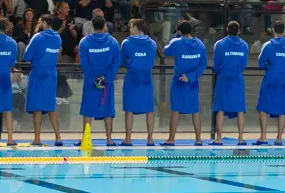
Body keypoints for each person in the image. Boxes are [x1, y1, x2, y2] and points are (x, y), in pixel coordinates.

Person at [78, 15, 121, 145]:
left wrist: (93, 79)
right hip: (106, 82)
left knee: (88, 110)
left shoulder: (84, 42)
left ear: (92, 26)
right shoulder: (113, 42)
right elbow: (116, 62)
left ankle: (86, 138)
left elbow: (84, 63)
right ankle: (109, 139)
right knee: (108, 109)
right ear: (104, 27)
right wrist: (106, 78)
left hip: (91, 82)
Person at [163, 21, 207, 145]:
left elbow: (165, 50)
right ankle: (198, 139)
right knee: (195, 110)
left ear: (179, 31)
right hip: (192, 83)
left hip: (178, 82)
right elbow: (203, 65)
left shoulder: (176, 42)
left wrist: (175, 36)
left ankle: (171, 139)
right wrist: (191, 76)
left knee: (175, 109)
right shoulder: (201, 45)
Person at [23, 14, 63, 146]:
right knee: (51, 105)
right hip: (52, 73)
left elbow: (26, 56)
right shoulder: (58, 38)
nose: (38, 24)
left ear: (45, 23)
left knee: (37, 107)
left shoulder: (38, 37)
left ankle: (37, 138)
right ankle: (58, 137)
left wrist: (34, 33)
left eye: (40, 22)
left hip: (39, 73)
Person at [120, 18, 157, 146]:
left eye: (131, 28)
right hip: (146, 79)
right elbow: (151, 61)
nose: (130, 30)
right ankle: (150, 138)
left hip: (132, 78)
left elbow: (122, 60)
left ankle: (128, 138)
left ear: (136, 29)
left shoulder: (126, 43)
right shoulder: (152, 43)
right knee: (149, 109)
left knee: (129, 109)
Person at [256, 20, 285, 144]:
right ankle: (279, 138)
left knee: (264, 107)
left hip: (270, 78)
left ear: (273, 29)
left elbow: (261, 63)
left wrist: (270, 67)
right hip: (284, 79)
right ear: (284, 30)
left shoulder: (268, 45)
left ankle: (263, 136)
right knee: (282, 109)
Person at [213, 21, 249, 145]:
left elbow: (216, 65)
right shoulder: (244, 45)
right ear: (239, 31)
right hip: (237, 79)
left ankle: (218, 138)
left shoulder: (219, 44)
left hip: (223, 78)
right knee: (240, 109)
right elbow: (244, 64)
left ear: (227, 30)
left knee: (221, 108)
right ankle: (240, 138)